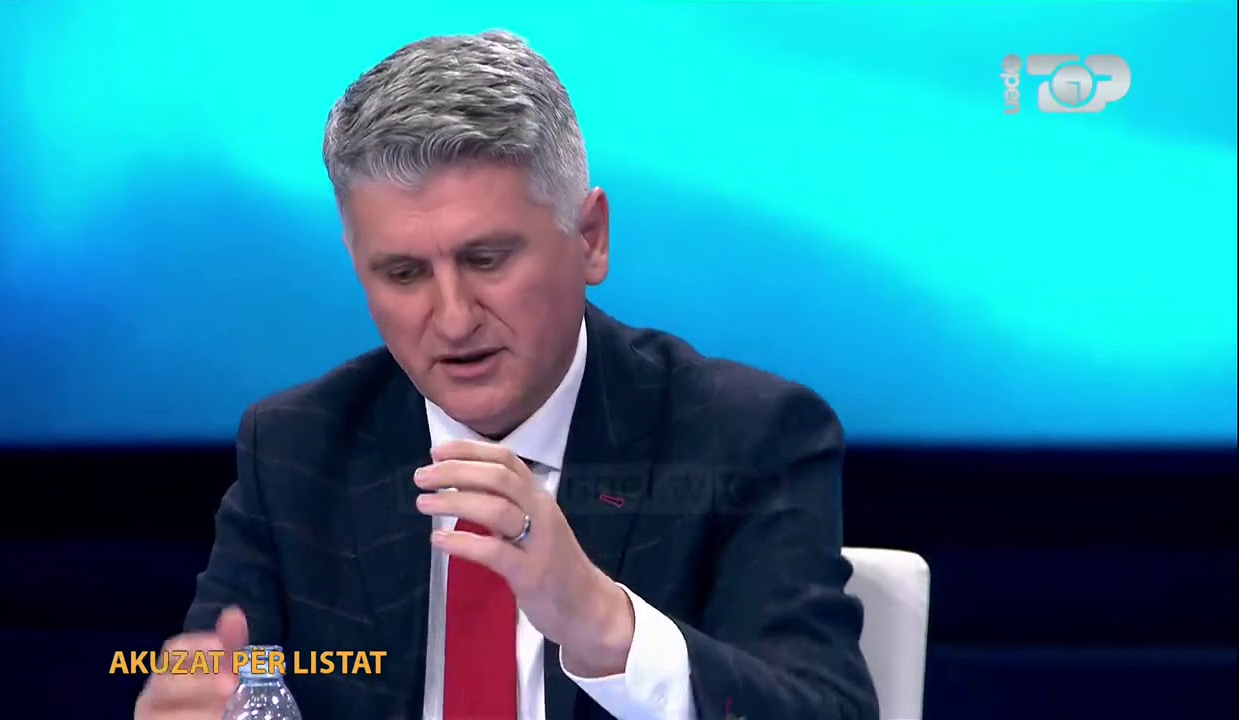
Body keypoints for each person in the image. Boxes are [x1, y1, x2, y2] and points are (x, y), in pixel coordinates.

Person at [133, 29, 878, 720]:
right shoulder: (296, 450)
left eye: (487, 260)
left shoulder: (744, 436)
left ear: (589, 239)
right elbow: (225, 678)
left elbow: (825, 708)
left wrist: (605, 625)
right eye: (403, 273)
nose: (454, 319)